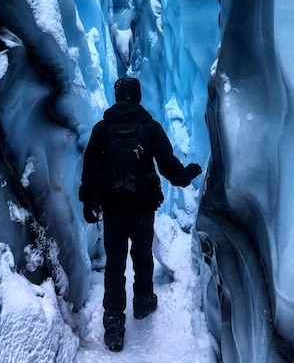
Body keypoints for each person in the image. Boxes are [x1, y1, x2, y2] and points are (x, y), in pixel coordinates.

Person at [79, 77, 202, 352]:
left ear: (118, 96)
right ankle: (143, 302)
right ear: (138, 96)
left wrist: (88, 201)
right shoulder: (150, 128)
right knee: (143, 257)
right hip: (143, 208)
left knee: (114, 265)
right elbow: (167, 164)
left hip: (112, 209)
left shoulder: (102, 129)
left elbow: (89, 168)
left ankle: (113, 325)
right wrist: (186, 176)